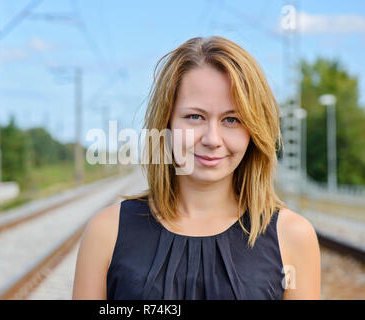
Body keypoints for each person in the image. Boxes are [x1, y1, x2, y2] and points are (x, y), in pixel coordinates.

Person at [72, 36, 321, 300]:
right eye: (194, 117)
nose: (212, 139)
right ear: (166, 123)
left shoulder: (293, 236)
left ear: (254, 131)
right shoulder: (106, 232)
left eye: (232, 120)